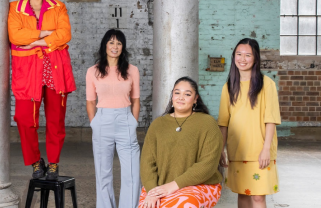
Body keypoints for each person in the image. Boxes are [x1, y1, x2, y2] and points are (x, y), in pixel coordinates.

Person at [7, 0, 76, 180]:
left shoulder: (58, 6)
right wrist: (44, 35)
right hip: (27, 72)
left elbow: (64, 34)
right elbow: (15, 36)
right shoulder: (15, 7)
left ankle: (53, 163)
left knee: (56, 120)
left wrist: (32, 43)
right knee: (24, 119)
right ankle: (36, 161)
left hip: (55, 69)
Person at [139, 77, 223, 208]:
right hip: (160, 185)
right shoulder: (158, 124)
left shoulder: (207, 123)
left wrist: (173, 186)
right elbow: (147, 163)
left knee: (183, 204)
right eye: (177, 93)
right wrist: (152, 190)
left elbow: (208, 164)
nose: (181, 97)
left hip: (199, 185)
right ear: (172, 96)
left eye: (187, 94)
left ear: (195, 99)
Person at [218, 38, 281, 208]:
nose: (242, 59)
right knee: (243, 194)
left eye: (247, 55)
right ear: (234, 57)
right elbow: (223, 122)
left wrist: (266, 149)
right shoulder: (229, 87)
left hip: (260, 151)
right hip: (237, 150)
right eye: (239, 54)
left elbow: (271, 119)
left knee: (259, 197)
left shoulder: (267, 85)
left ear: (256, 58)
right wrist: (221, 149)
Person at [86, 29, 141, 208]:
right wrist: (94, 123)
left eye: (119, 43)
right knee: (103, 173)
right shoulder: (92, 71)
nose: (115, 46)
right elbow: (90, 102)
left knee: (132, 173)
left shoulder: (132, 70)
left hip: (126, 119)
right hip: (102, 121)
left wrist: (133, 122)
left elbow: (136, 100)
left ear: (123, 47)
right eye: (111, 42)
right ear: (105, 45)